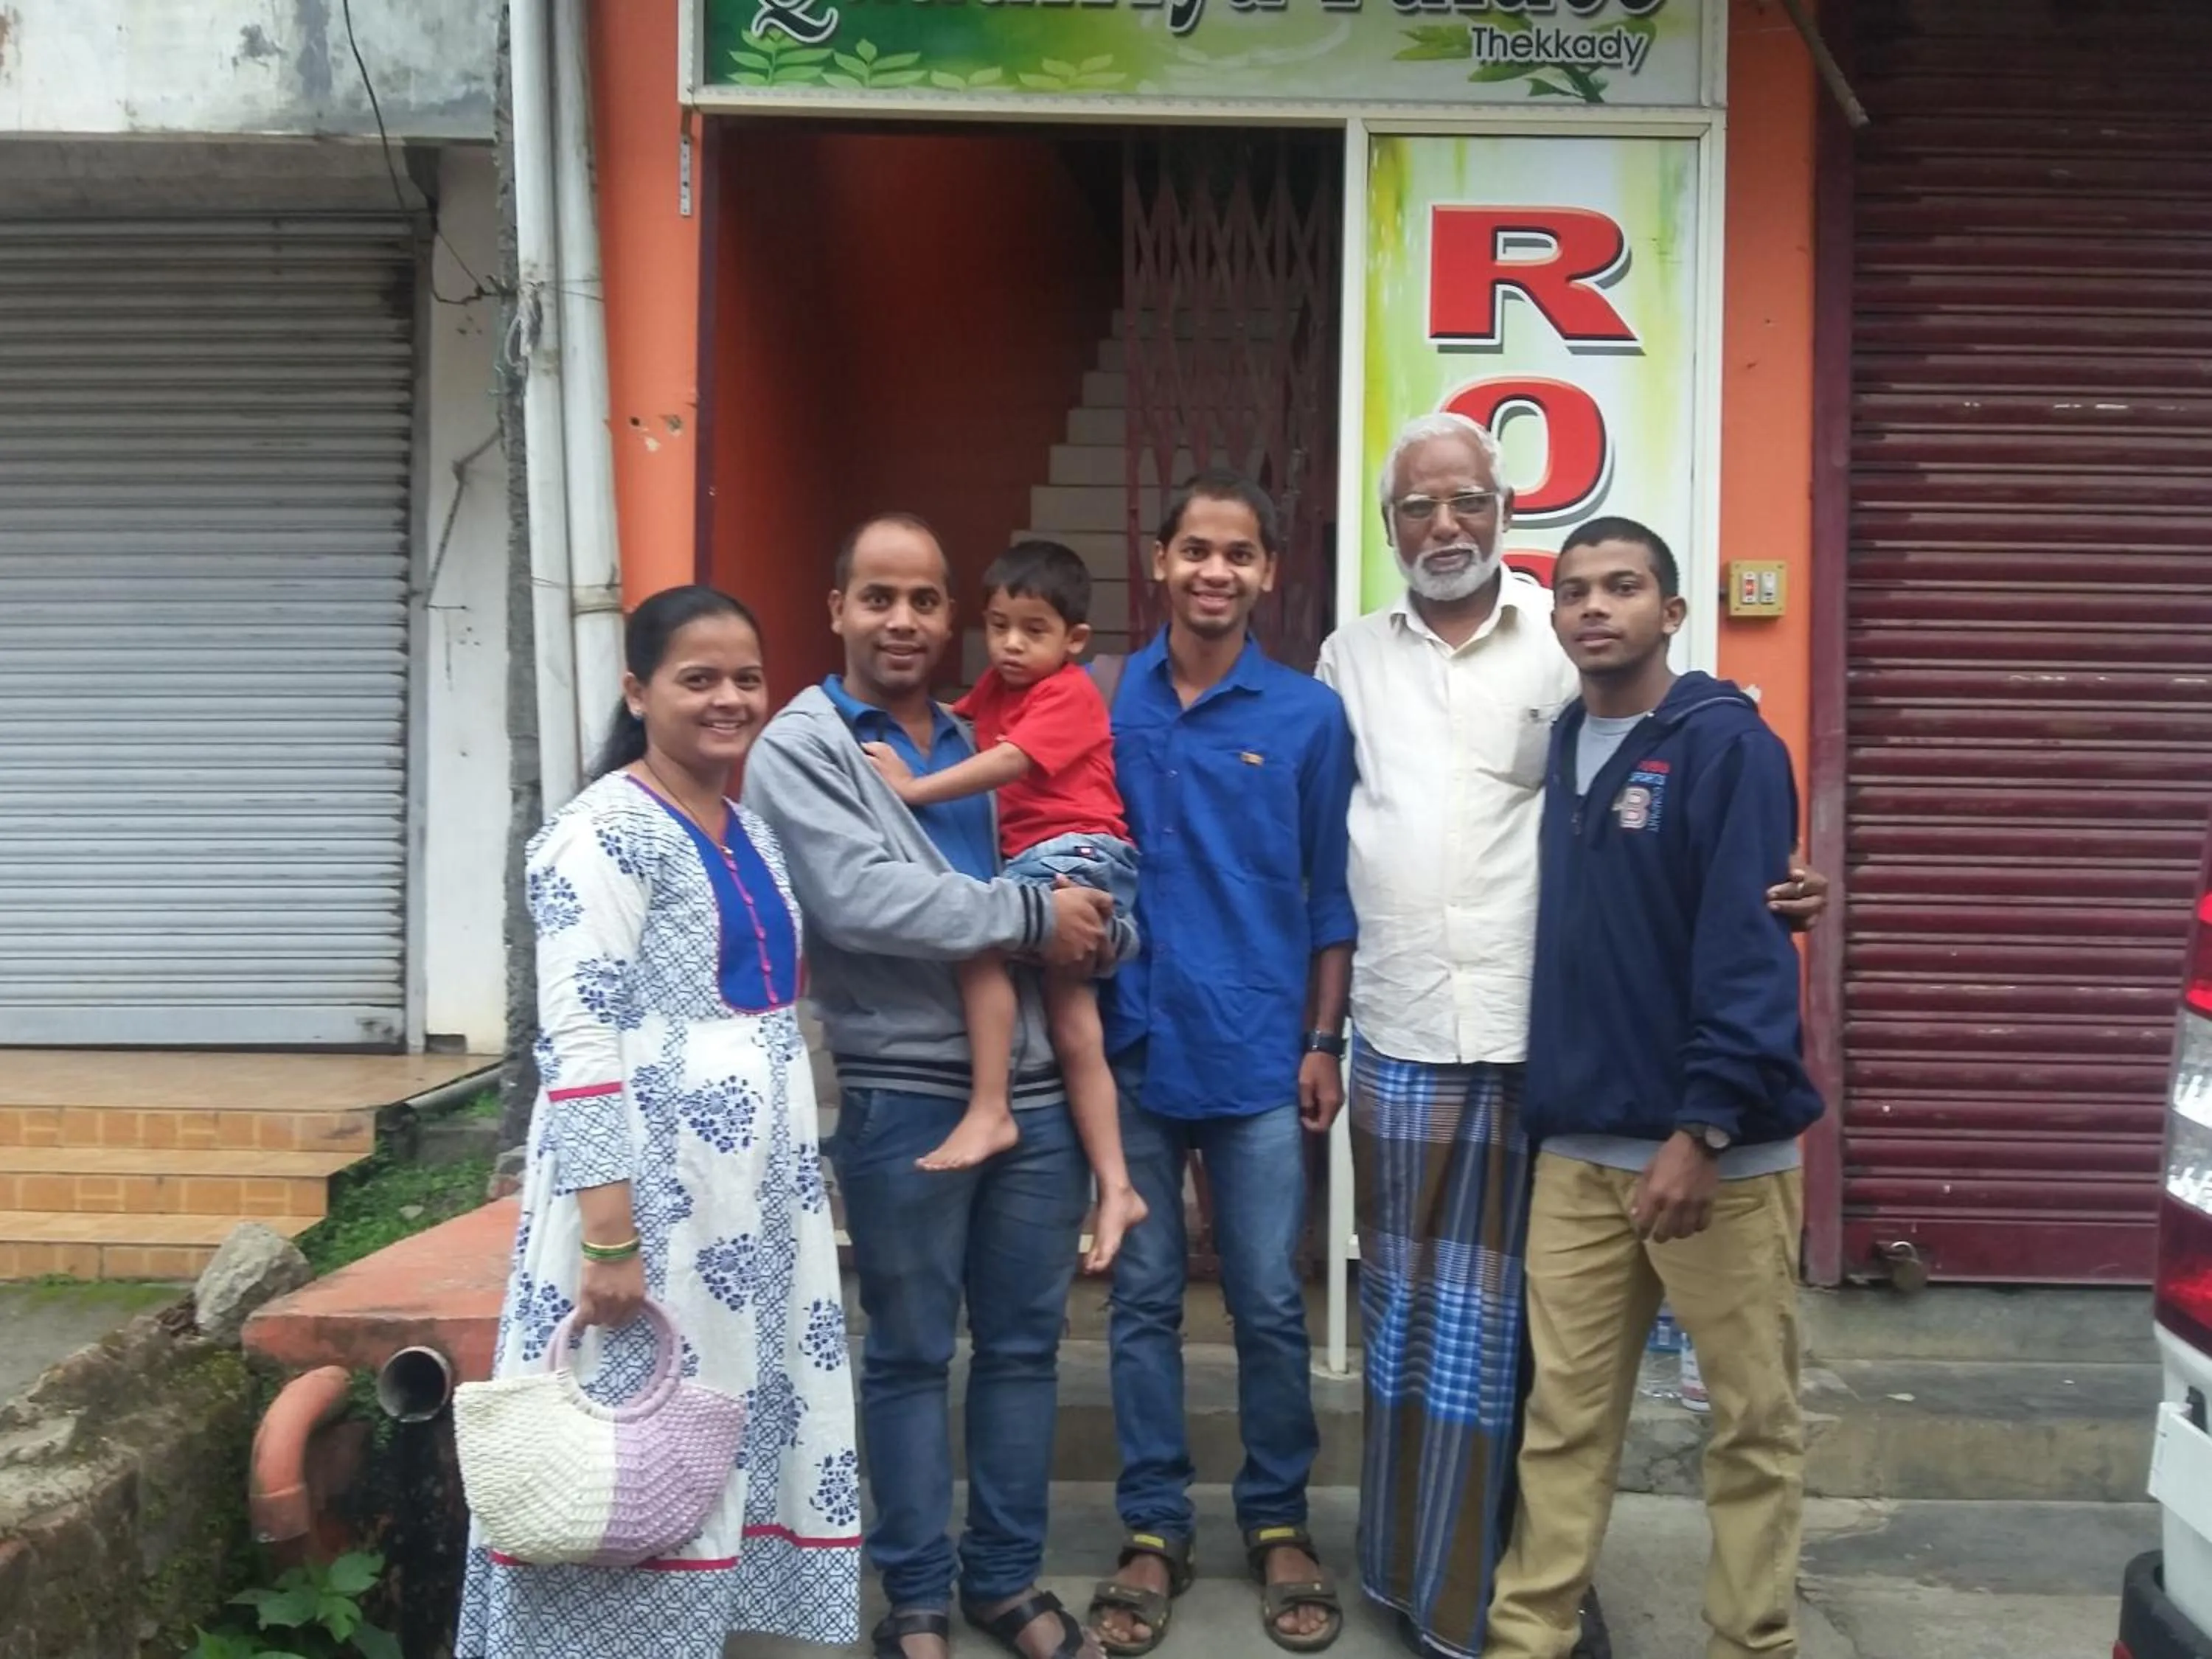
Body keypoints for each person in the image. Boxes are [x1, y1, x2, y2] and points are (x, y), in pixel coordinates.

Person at [1316, 414, 1826, 1659]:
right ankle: (1476, 1601)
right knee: (1462, 1357)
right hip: (1451, 1066)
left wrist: (1775, 881)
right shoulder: (1357, 662)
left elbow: (1721, 868)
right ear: (1391, 530)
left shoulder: (1667, 715)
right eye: (1418, 509)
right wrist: (1320, 1029)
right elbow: (1323, 840)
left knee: (1645, 1391)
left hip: (1590, 1084)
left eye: (1468, 505)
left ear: (1504, 519)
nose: (1445, 527)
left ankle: (1701, 1626)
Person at [743, 512, 1129, 1659]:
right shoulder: (803, 747)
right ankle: (913, 1593)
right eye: (878, 598)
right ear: (837, 609)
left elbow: (1070, 875)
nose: (901, 620)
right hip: (905, 1090)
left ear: (950, 614)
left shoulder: (980, 732)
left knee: (1021, 1348)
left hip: (1041, 1099)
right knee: (911, 1352)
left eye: (922, 601)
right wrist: (1034, 919)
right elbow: (861, 899)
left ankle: (1003, 1582)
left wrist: (1097, 936)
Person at [456, 585, 860, 1659]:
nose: (729, 699)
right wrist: (608, 1236)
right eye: (698, 678)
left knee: (704, 1440)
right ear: (638, 692)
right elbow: (579, 1041)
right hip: (649, 1209)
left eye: (746, 678)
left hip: (744, 1215)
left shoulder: (750, 831)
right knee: (623, 1448)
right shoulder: (600, 833)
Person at [1483, 518, 1824, 1659]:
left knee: (1751, 1424)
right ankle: (1530, 1636)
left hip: (1714, 1157)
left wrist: (1706, 1124)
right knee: (1563, 1421)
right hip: (1579, 1148)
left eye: (1623, 587)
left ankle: (1752, 1641)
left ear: (1670, 611)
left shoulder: (1726, 746)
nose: (1595, 607)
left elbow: (1744, 947)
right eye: (1575, 589)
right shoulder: (1571, 736)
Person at [1085, 470, 1357, 1656]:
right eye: (1195, 549)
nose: (1215, 571)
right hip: (1131, 1050)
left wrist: (1321, 1039)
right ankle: (1153, 1525)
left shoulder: (1306, 717)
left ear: (1268, 573)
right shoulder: (1099, 702)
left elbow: (1332, 897)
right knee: (1140, 1301)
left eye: (1238, 554)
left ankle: (1276, 1517)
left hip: (1255, 1053)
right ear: (1158, 559)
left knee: (1264, 1301)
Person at [860, 538, 1147, 1271]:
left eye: (1033, 630)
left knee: (978, 935)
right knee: (1074, 1024)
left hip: (1076, 851)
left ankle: (991, 1109)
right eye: (998, 625)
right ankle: (1117, 1186)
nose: (1012, 645)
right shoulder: (998, 686)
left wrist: (914, 788)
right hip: (1044, 858)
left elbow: (1009, 760)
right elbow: (954, 721)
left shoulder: (1069, 694)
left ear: (1075, 640)